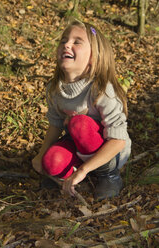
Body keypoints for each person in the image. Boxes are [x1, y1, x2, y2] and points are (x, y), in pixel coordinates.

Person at [32, 20, 131, 201]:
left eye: (77, 42)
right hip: (77, 144)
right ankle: (71, 175)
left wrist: (85, 170)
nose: (67, 44)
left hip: (110, 150)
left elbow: (118, 140)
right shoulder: (55, 89)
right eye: (63, 41)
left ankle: (108, 176)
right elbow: (55, 125)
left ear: (94, 57)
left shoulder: (101, 90)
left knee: (79, 123)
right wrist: (41, 155)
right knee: (51, 161)